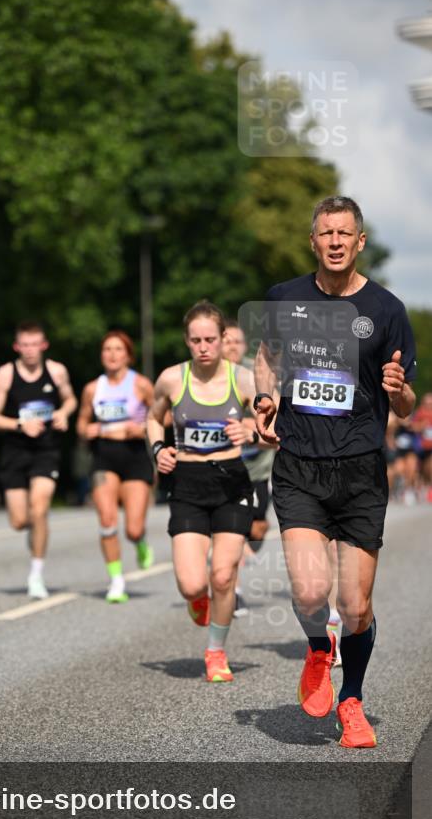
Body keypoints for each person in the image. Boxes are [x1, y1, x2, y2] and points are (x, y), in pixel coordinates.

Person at [254, 195, 416, 748]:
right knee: (308, 593)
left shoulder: (388, 310)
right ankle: (318, 649)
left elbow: (407, 403)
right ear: (313, 240)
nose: (336, 241)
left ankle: (352, 699)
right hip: (299, 465)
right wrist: (263, 398)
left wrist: (400, 394)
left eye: (345, 233)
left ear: (360, 241)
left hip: (361, 473)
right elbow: (265, 358)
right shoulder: (285, 299)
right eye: (326, 233)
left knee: (355, 605)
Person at [147, 301, 257, 682]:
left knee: (223, 577)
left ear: (224, 339)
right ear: (187, 341)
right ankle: (199, 601)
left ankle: (215, 652)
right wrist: (158, 449)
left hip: (232, 482)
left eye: (211, 338)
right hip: (188, 484)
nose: (204, 347)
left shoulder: (243, 379)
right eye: (196, 340)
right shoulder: (171, 379)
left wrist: (252, 432)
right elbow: (152, 418)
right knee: (193, 583)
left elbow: (271, 424)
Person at [0, 322, 77, 599]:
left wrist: (63, 413)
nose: (30, 350)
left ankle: (36, 575)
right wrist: (20, 425)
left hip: (46, 450)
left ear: (44, 345)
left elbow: (70, 399)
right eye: (25, 345)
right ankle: (32, 530)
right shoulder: (5, 374)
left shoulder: (57, 371)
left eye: (35, 344)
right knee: (19, 520)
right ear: (17, 347)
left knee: (40, 508)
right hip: (16, 450)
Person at [76, 332, 155, 603]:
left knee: (132, 528)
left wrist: (142, 428)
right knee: (108, 520)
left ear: (128, 355)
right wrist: (88, 429)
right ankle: (117, 581)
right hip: (103, 459)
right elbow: (81, 423)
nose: (111, 354)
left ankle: (140, 541)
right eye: (107, 349)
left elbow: (163, 417)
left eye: (118, 349)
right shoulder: (92, 388)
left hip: (134, 458)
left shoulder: (141, 385)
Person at [222, 319, 275, 616]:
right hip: (222, 468)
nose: (230, 346)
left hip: (256, 469)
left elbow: (273, 421)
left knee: (255, 530)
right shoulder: (209, 377)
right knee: (230, 530)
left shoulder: (257, 376)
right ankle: (235, 591)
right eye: (225, 340)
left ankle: (242, 551)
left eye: (236, 342)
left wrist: (250, 429)